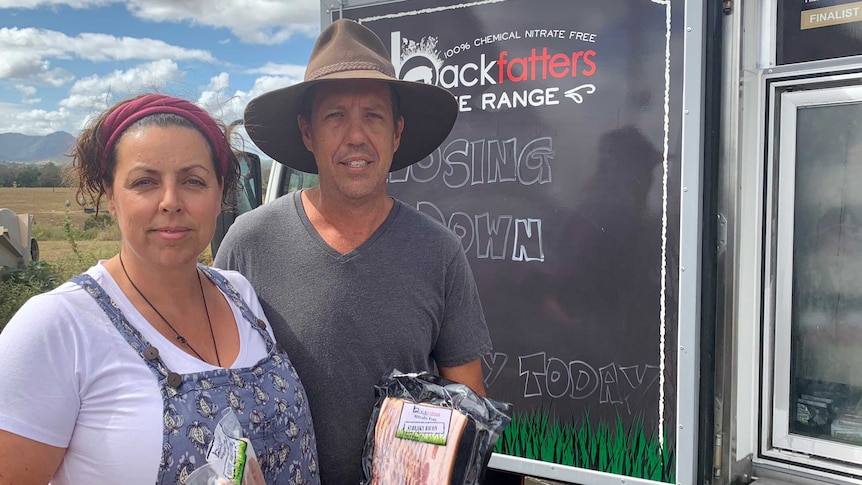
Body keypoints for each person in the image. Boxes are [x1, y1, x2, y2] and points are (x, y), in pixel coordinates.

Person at [214, 19, 492, 484]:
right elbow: (219, 389)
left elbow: (469, 396)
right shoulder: (248, 242)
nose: (356, 136)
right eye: (335, 116)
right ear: (308, 133)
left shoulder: (438, 251)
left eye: (374, 116)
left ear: (397, 133)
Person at [0, 94, 319, 485]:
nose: (171, 201)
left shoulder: (240, 295)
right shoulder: (57, 326)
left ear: (220, 194)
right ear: (110, 196)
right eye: (145, 182)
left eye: (193, 181)